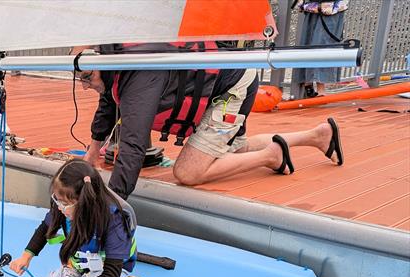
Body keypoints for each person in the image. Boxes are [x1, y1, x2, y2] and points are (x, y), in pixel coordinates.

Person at [75, 47, 344, 191]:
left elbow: (133, 144)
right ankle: (317, 136)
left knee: (187, 172)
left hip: (231, 86)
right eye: (80, 78)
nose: (85, 85)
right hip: (225, 77)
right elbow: (107, 106)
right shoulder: (116, 67)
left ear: (105, 67)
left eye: (88, 77)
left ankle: (272, 156)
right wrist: (92, 154)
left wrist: (114, 200)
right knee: (234, 149)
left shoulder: (139, 81)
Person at [9, 159, 146, 277]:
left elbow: (111, 275)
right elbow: (44, 229)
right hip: (79, 263)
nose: (60, 207)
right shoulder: (63, 204)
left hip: (107, 269)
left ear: (85, 201)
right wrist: (26, 257)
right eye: (57, 200)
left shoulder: (114, 218)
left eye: (65, 204)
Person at [293, 0, 348, 97]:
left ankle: (313, 84)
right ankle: (313, 84)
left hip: (325, 8)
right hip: (323, 7)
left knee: (318, 43)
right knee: (316, 43)